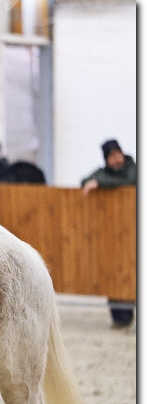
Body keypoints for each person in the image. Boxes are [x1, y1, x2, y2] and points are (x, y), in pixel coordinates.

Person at [81, 139, 137, 328]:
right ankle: (121, 317)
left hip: (134, 229)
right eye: (112, 157)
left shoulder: (133, 168)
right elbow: (84, 181)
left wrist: (99, 183)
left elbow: (128, 181)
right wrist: (95, 182)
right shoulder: (103, 172)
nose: (117, 160)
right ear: (106, 160)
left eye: (118, 155)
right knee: (115, 271)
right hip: (114, 232)